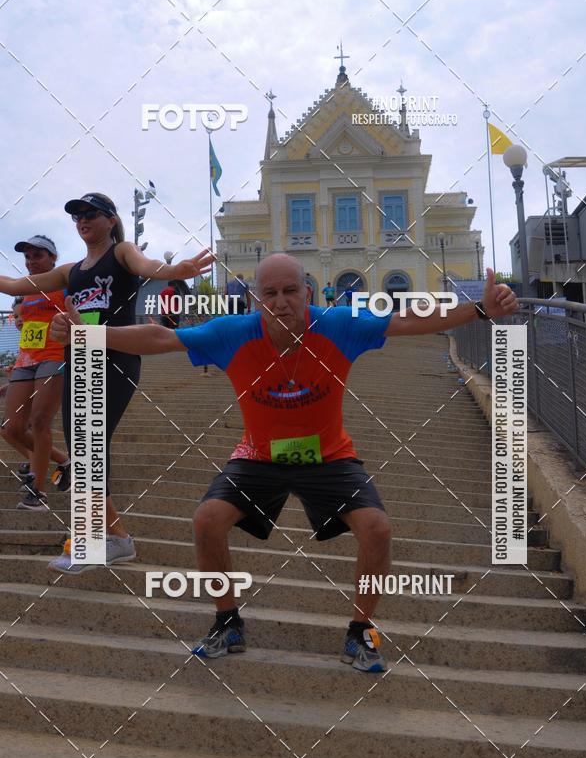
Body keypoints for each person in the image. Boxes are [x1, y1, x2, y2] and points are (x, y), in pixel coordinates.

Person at [51, 256, 517, 671]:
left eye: (290, 291)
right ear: (256, 298)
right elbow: (160, 336)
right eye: (269, 293)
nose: (281, 302)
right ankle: (226, 621)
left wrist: (479, 310)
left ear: (307, 293)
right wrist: (90, 332)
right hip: (258, 455)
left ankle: (362, 633)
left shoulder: (339, 324)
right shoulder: (232, 333)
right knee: (207, 521)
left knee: (377, 529)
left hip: (330, 456)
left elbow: (407, 320)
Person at [0, 193, 213, 568]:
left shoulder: (122, 252)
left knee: (89, 446)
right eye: (78, 216)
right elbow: (17, 287)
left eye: (91, 214)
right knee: (83, 450)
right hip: (78, 358)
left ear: (111, 220)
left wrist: (175, 271)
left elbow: (149, 266)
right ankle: (116, 538)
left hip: (116, 356)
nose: (83, 220)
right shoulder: (71, 271)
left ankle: (94, 540)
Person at [0, 236, 71, 509]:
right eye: (28, 257)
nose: (31, 262)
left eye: (37, 256)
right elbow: (27, 323)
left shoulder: (65, 284)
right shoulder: (27, 289)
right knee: (12, 428)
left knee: (40, 421)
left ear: (53, 258)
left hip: (54, 356)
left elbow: (82, 315)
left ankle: (38, 491)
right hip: (25, 360)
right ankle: (64, 461)